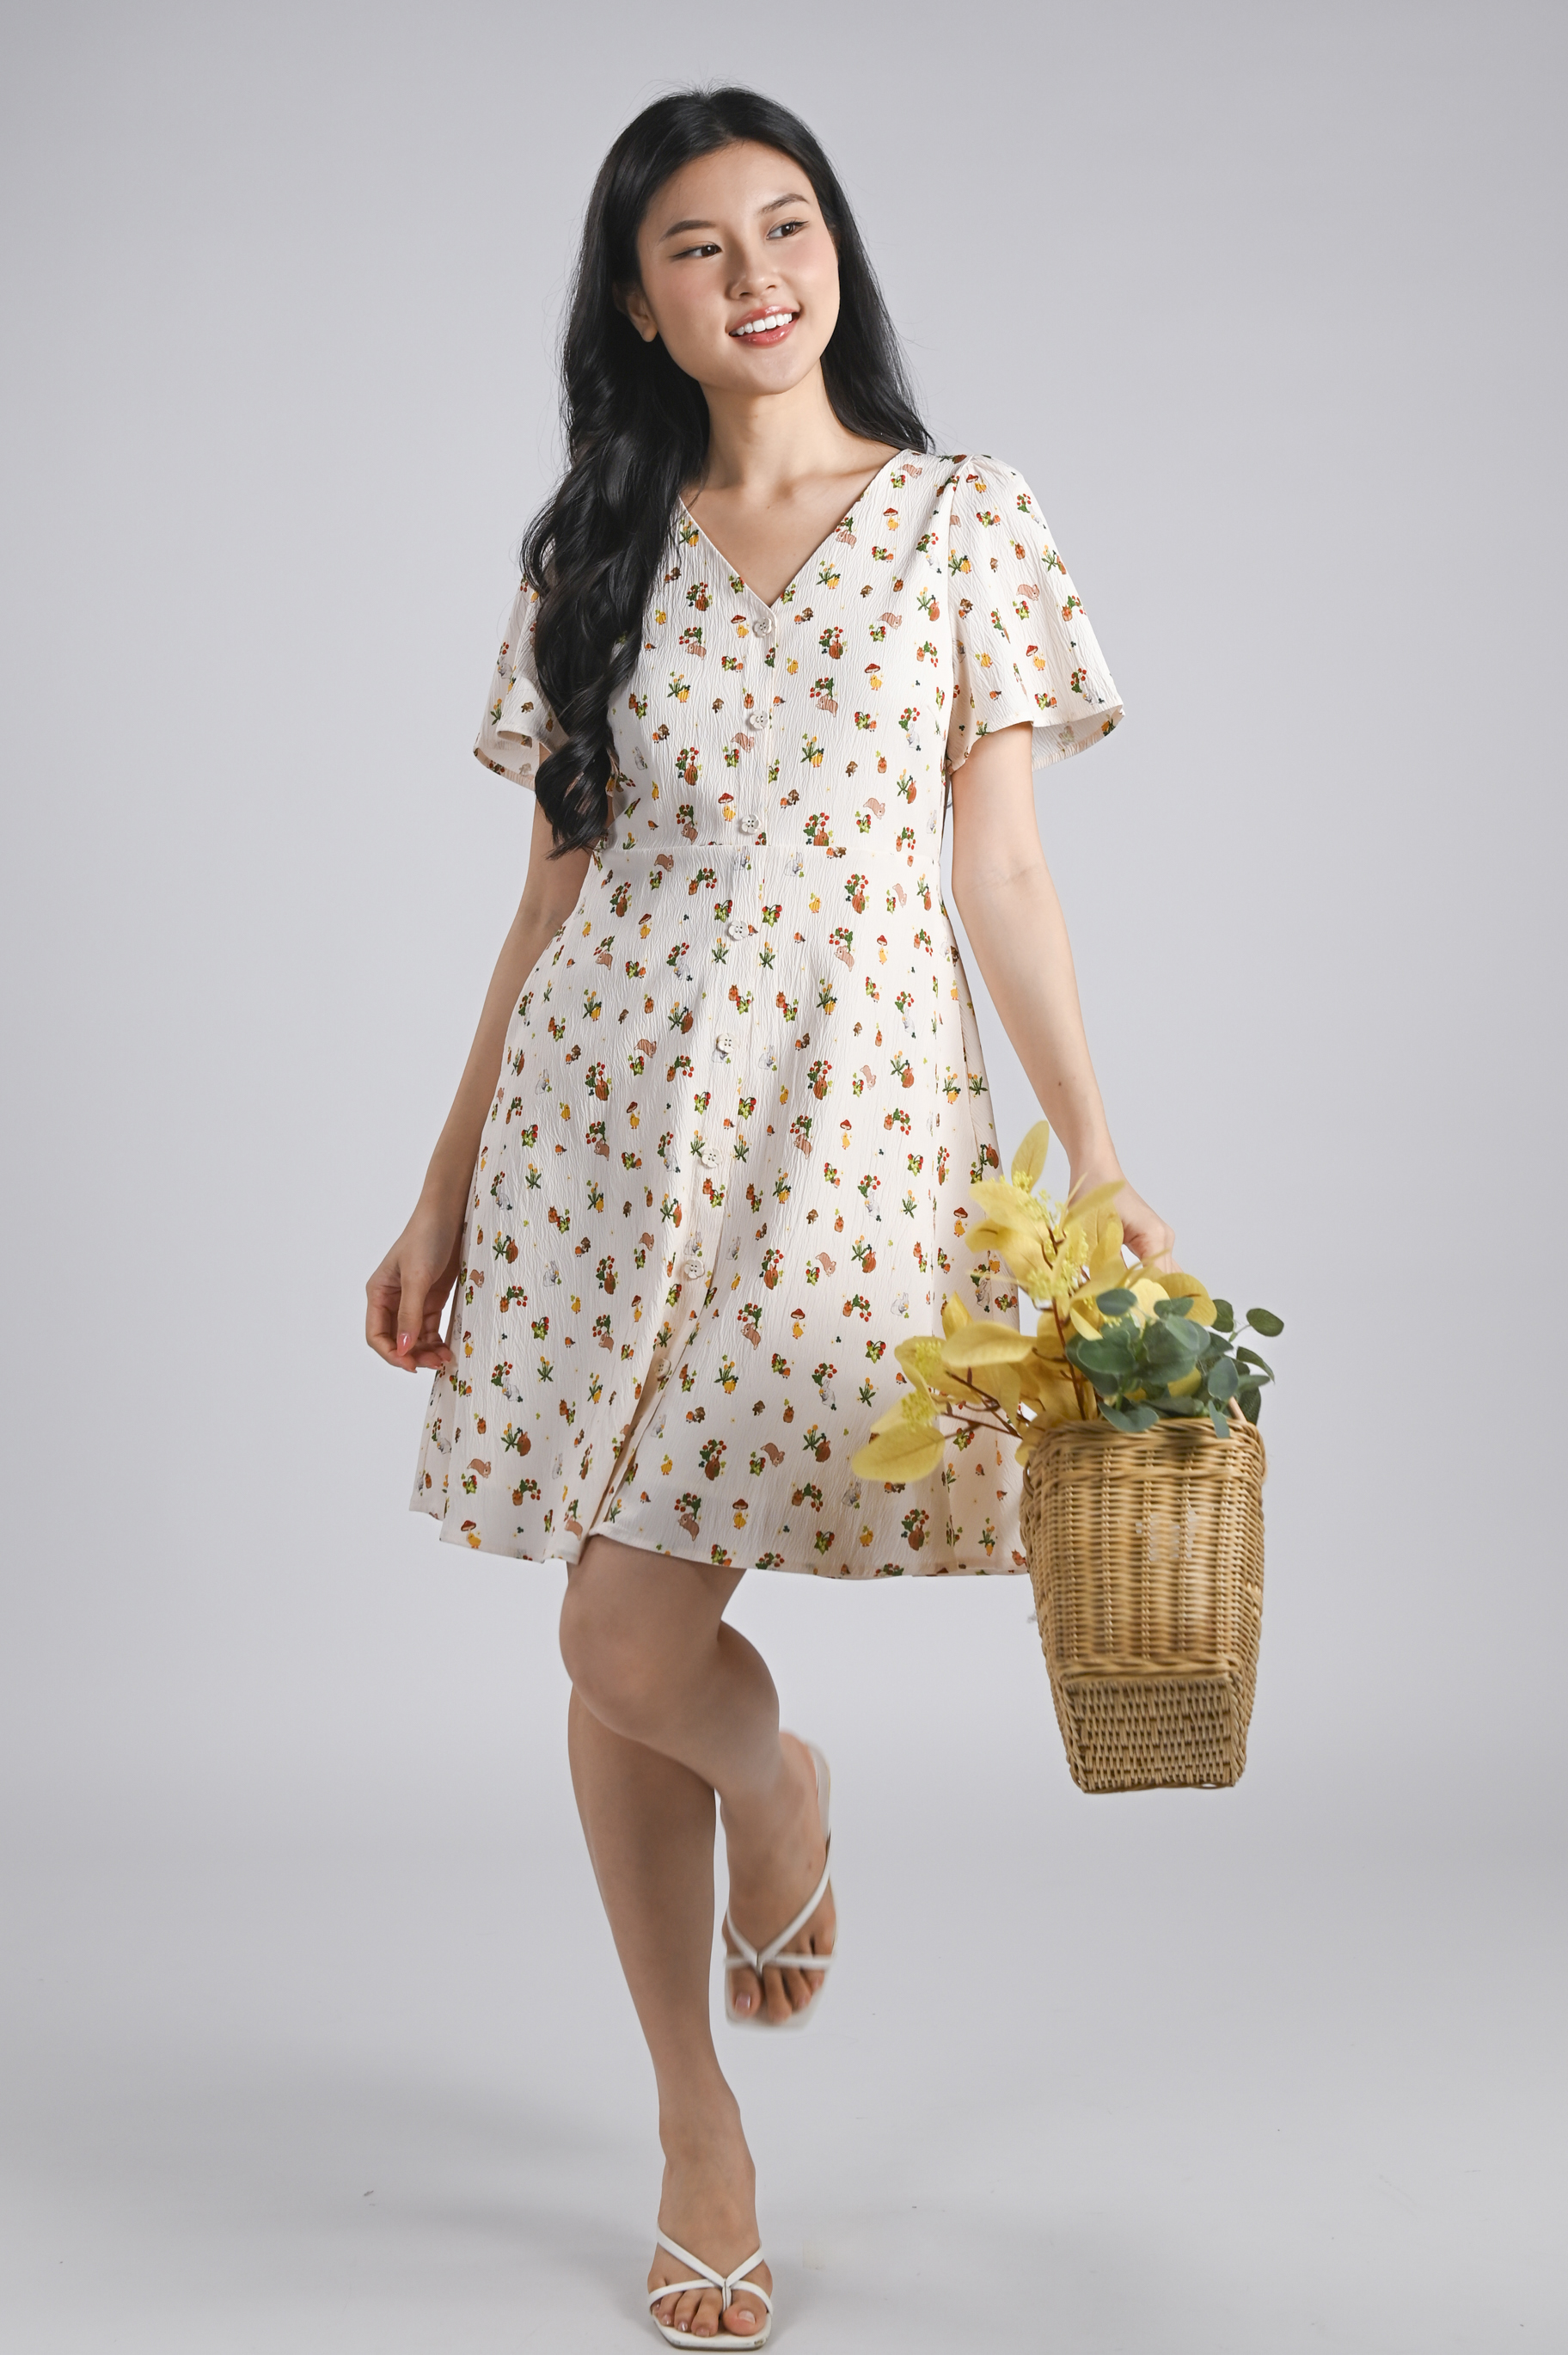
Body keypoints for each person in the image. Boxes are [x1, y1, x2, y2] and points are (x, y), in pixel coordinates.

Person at [366, 85, 1173, 2350]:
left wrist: (1096, 1151)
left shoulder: (964, 518)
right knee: (611, 1636)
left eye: (787, 226)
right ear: (639, 305)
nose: (757, 276)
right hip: (600, 1145)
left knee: (630, 1641)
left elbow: (1004, 870)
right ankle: (694, 2122)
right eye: (700, 247)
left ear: (836, 254)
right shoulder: (593, 550)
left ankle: (779, 1786)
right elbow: (547, 903)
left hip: (846, 1133)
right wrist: (440, 1190)